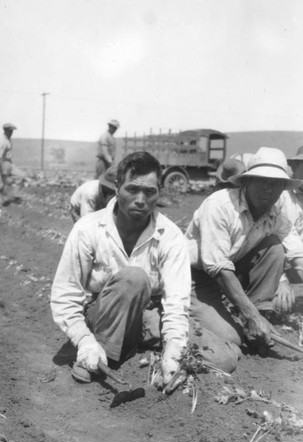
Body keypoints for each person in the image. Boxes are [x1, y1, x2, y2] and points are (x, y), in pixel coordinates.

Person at [51, 151, 190, 389]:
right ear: (117, 187)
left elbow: (177, 302)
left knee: (214, 351)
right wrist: (84, 340)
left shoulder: (171, 236)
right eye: (132, 189)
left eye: (150, 191)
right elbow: (65, 295)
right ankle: (99, 350)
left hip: (144, 314)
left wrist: (174, 351)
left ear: (159, 192)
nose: (140, 199)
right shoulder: (88, 229)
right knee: (133, 277)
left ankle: (132, 345)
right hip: (101, 313)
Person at [185, 147, 303, 373]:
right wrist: (252, 315)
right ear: (247, 182)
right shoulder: (220, 205)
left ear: (283, 189)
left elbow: (297, 254)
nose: (269, 189)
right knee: (232, 339)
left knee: (274, 248)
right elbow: (217, 267)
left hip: (229, 275)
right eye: (262, 181)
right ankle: (167, 318)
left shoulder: (275, 212)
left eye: (276, 183)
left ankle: (255, 322)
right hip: (195, 281)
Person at [0, 123, 17, 205]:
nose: (11, 133)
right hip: (2, 163)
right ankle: (3, 200)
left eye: (12, 131)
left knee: (7, 181)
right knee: (2, 183)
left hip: (7, 163)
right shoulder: (3, 141)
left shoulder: (8, 139)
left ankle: (6, 198)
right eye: (10, 131)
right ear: (6, 131)